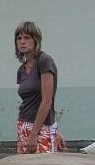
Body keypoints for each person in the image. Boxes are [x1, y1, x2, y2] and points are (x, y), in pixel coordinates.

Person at [15, 21, 61, 154]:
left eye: (27, 37)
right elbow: (30, 101)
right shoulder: (21, 70)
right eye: (19, 38)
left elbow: (47, 101)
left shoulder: (45, 61)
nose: (22, 42)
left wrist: (36, 133)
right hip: (23, 124)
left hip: (40, 128)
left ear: (36, 40)